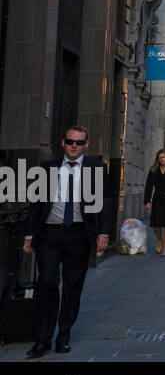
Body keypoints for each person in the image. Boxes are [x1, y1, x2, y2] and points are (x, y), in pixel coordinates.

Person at [21, 126, 113, 358]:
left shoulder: (97, 169)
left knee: (72, 287)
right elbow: (35, 205)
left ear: (86, 144)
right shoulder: (47, 169)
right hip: (50, 234)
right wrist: (29, 235)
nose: (74, 146)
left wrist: (104, 232)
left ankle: (63, 336)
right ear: (63, 143)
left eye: (79, 142)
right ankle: (42, 340)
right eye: (70, 141)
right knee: (48, 282)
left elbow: (105, 203)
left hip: (79, 234)